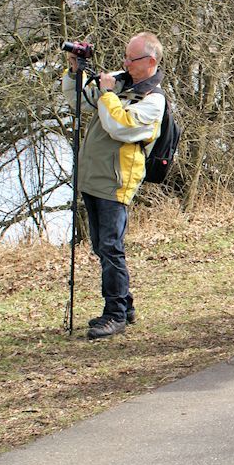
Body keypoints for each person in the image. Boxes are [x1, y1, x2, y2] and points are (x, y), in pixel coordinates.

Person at [62, 32, 166, 340]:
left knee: (111, 247)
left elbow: (119, 126)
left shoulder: (153, 101)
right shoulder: (121, 85)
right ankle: (124, 303)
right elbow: (79, 101)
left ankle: (116, 314)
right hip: (94, 177)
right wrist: (75, 72)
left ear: (150, 62)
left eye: (130, 59)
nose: (123, 63)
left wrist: (107, 93)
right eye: (124, 57)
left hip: (117, 181)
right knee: (101, 246)